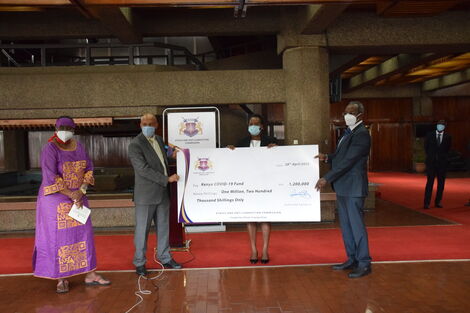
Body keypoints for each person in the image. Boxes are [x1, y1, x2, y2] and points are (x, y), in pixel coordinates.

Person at [33, 116, 110, 293]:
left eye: (69, 128)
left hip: (78, 198)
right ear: (56, 128)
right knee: (59, 240)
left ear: (74, 130)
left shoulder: (79, 146)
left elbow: (89, 168)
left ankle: (91, 274)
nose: (66, 130)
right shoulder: (50, 149)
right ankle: (61, 279)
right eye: (63, 127)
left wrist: (81, 190)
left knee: (85, 235)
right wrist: (71, 193)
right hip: (56, 201)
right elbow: (50, 176)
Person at [315, 101, 372, 279]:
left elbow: (349, 161)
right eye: (346, 112)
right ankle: (352, 258)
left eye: (352, 112)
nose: (347, 115)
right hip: (343, 187)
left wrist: (327, 178)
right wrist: (327, 158)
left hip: (354, 188)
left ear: (360, 115)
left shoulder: (362, 134)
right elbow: (341, 157)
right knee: (346, 227)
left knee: (357, 227)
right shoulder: (348, 133)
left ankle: (364, 263)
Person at [128, 113, 182, 276]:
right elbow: (143, 169)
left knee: (164, 227)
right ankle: (139, 262)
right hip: (145, 195)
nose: (147, 126)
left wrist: (178, 154)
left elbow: (165, 156)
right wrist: (166, 179)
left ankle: (165, 257)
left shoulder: (158, 140)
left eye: (151, 123)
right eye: (144, 123)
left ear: (157, 125)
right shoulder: (135, 145)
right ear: (140, 125)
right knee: (142, 230)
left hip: (162, 194)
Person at [228, 114, 277, 264]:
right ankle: (254, 250)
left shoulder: (271, 141)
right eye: (251, 123)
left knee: (265, 217)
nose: (253, 126)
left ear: (261, 126)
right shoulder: (242, 143)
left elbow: (279, 161)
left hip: (265, 185)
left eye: (256, 123)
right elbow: (233, 160)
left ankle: (265, 250)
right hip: (247, 185)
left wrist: (277, 150)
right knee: (250, 216)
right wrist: (229, 151)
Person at [423, 120, 452, 209]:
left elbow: (448, 149)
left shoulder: (448, 137)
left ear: (445, 127)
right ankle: (426, 203)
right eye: (439, 125)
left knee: (441, 184)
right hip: (431, 163)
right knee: (430, 183)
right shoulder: (430, 135)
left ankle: (438, 201)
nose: (440, 126)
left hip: (442, 164)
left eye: (442, 125)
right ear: (437, 126)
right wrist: (431, 157)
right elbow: (426, 147)